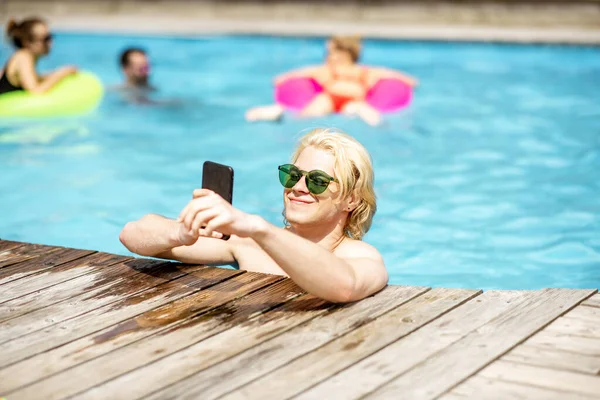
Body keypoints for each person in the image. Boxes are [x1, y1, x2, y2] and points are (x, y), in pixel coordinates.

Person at [120, 128, 388, 303]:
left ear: (351, 200)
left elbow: (345, 286)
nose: (297, 187)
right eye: (292, 175)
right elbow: (132, 234)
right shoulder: (248, 243)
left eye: (317, 181)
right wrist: (182, 233)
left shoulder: (360, 256)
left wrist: (260, 229)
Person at [245, 36, 418, 126]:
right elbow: (410, 81)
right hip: (356, 103)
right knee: (377, 122)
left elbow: (280, 79)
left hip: (329, 99)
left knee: (300, 118)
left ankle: (280, 113)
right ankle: (280, 113)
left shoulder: (324, 70)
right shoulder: (368, 72)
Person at [0, 17, 77, 95]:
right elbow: (36, 91)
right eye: (45, 39)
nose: (50, 43)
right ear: (27, 42)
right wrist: (61, 73)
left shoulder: (25, 56)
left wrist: (61, 73)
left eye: (50, 36)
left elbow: (34, 79)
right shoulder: (23, 57)